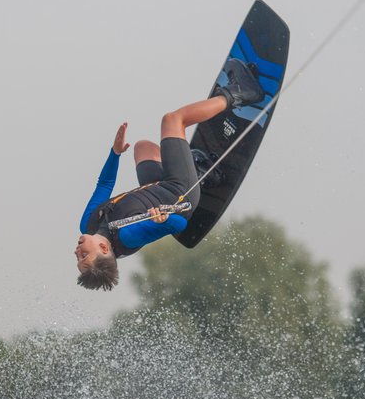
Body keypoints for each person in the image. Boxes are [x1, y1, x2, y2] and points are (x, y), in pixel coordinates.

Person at [75, 59, 264, 290]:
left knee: (143, 147)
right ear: (104, 250)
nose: (77, 252)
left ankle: (197, 169)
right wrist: (162, 219)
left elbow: (104, 184)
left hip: (157, 187)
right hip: (179, 192)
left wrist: (115, 153)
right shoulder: (128, 237)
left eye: (78, 258)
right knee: (173, 120)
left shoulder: (87, 223)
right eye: (83, 256)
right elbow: (177, 225)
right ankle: (239, 93)